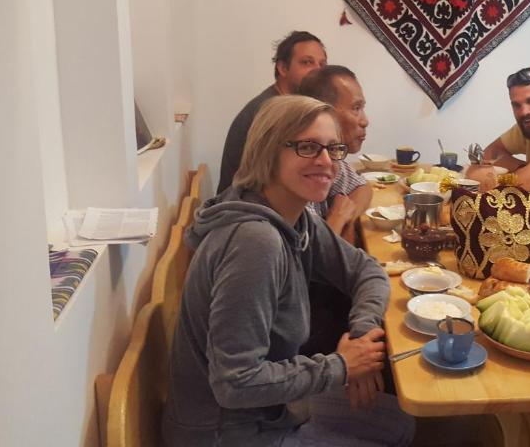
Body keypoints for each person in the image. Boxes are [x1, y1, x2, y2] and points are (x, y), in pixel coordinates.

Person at [165, 95, 414, 447]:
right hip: (229, 432)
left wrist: (361, 335)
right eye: (308, 147)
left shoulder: (295, 217)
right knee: (396, 430)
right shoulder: (255, 243)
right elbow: (234, 384)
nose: (327, 162)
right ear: (268, 151)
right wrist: (342, 366)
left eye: (333, 148)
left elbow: (367, 270)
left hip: (271, 412)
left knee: (400, 423)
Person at [217, 31, 327, 193]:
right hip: (248, 211)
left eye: (322, 65)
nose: (318, 71)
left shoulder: (291, 107)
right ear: (282, 68)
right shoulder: (272, 113)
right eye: (306, 62)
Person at [298, 65, 373, 239]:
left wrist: (348, 218)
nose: (365, 121)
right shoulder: (302, 169)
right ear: (324, 111)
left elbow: (362, 187)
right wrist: (337, 219)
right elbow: (311, 260)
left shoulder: (329, 158)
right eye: (356, 108)